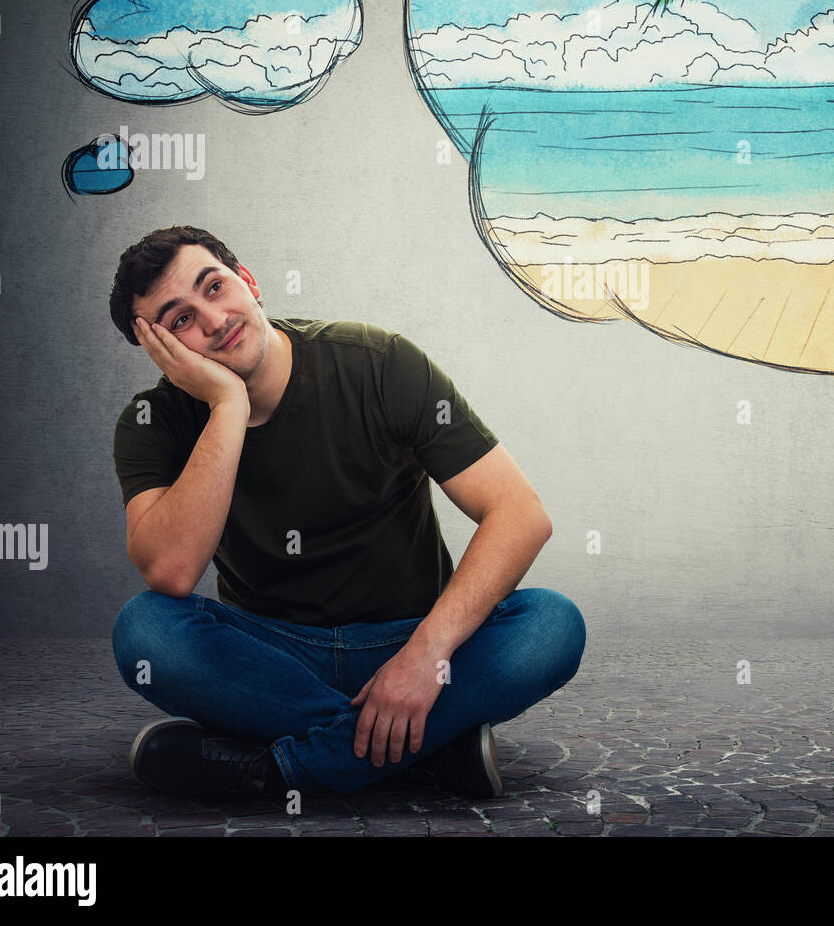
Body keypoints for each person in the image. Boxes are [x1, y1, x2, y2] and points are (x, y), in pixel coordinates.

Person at [107, 225, 585, 802]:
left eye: (214, 287)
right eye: (179, 319)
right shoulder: (152, 422)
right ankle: (428, 751)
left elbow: (519, 513)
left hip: (410, 641)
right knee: (144, 628)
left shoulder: (378, 362)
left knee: (551, 623)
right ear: (157, 348)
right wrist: (226, 404)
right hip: (275, 661)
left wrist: (424, 656)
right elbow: (171, 572)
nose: (213, 321)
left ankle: (276, 770)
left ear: (249, 281)